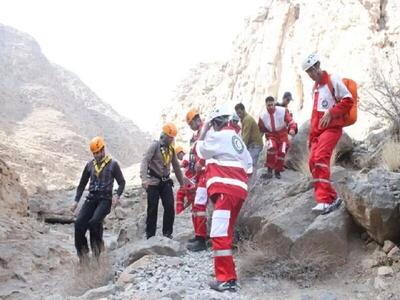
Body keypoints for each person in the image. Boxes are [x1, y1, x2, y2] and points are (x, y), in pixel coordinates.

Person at [195, 105, 252, 292]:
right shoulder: (237, 139)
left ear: (217, 122)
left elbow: (200, 150)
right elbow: (249, 165)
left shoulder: (217, 136)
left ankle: (226, 279)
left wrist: (202, 132)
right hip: (238, 193)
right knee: (225, 232)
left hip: (225, 192)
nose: (211, 127)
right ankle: (230, 276)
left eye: (212, 124)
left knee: (219, 233)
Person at [302, 53, 353, 214]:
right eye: (308, 72)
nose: (311, 74)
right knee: (312, 162)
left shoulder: (333, 80)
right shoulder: (315, 88)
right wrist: (311, 137)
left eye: (312, 69)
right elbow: (315, 116)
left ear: (318, 65)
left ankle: (324, 200)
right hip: (318, 132)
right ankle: (331, 197)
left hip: (332, 129)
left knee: (320, 159)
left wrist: (331, 112)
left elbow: (348, 100)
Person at [71, 136, 125, 264]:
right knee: (78, 224)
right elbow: (82, 184)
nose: (96, 155)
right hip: (91, 199)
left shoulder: (113, 164)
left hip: (105, 200)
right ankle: (83, 257)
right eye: (94, 153)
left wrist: (116, 195)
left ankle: (97, 253)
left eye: (98, 152)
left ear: (103, 150)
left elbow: (122, 182)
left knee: (94, 222)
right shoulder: (89, 165)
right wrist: (76, 201)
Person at [140, 123, 185, 239]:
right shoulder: (154, 146)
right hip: (153, 181)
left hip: (165, 182)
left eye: (173, 137)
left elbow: (176, 166)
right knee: (152, 208)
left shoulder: (171, 149)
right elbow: (145, 161)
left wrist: (182, 184)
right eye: (170, 137)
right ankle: (150, 235)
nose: (171, 139)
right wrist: (144, 179)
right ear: (164, 135)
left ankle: (167, 233)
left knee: (169, 206)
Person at [185, 108, 208, 252]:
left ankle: (202, 239)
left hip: (207, 172)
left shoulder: (205, 131)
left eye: (190, 124)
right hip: (200, 174)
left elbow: (208, 150)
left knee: (199, 204)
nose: (190, 127)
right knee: (196, 205)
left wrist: (202, 163)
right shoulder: (198, 133)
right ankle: (199, 235)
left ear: (194, 120)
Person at [258, 96, 296, 179]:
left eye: (272, 104)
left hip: (282, 135)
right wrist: (260, 138)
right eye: (269, 105)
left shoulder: (282, 111)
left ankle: (278, 171)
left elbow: (290, 120)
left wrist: (292, 128)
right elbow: (261, 128)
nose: (271, 107)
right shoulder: (262, 115)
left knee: (282, 152)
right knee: (271, 148)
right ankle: (269, 170)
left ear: (274, 104)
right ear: (266, 105)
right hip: (271, 135)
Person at [234, 103, 263, 169]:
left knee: (251, 165)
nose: (239, 115)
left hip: (255, 145)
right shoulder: (244, 119)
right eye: (237, 113)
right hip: (252, 145)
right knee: (249, 164)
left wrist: (241, 150)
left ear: (244, 110)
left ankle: (251, 179)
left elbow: (245, 137)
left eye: (240, 112)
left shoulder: (247, 119)